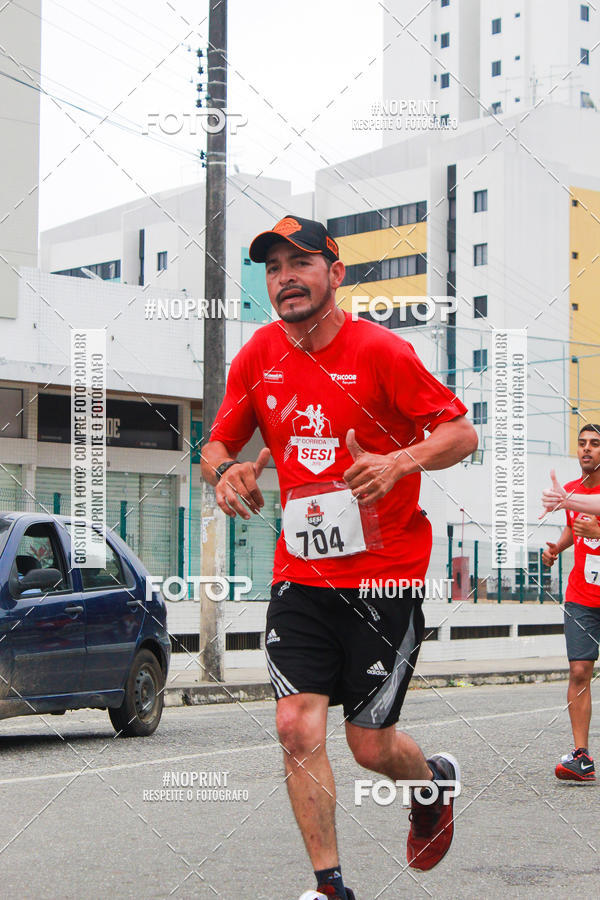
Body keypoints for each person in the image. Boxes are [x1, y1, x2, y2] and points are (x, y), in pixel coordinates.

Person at [201, 215, 478, 899]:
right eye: (273, 267)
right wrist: (225, 472)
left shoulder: (381, 352)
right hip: (301, 577)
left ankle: (431, 784)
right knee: (296, 726)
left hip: (384, 578)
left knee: (370, 746)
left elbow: (461, 432)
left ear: (336, 273)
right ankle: (330, 887)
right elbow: (216, 444)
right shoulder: (257, 356)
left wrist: (399, 460)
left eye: (302, 262)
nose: (286, 277)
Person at [540, 424, 600, 782]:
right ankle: (582, 756)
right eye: (582, 444)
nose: (587, 450)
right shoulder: (572, 491)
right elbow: (572, 525)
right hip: (582, 598)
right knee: (579, 671)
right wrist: (556, 548)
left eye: (594, 444)